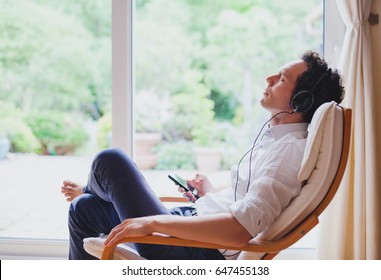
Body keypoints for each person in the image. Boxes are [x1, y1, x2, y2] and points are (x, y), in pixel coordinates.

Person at [61, 50, 344, 260]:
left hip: (192, 248)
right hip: (189, 225)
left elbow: (239, 231)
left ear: (301, 101)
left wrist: (153, 222)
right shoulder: (274, 142)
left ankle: (93, 189)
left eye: (281, 78)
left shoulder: (287, 153)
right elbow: (248, 206)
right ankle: (92, 193)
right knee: (83, 209)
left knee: (110, 161)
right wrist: (208, 195)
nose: (269, 78)